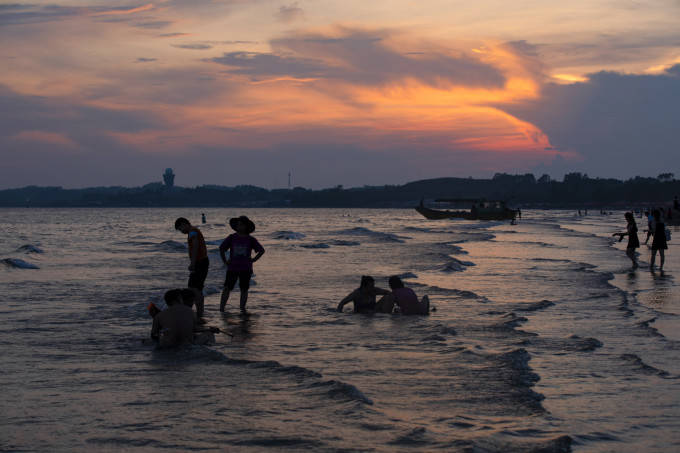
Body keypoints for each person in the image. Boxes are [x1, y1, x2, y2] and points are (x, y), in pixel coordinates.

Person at [219, 216, 265, 312]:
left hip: (245, 268)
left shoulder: (251, 239)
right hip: (232, 268)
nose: (238, 226)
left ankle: (242, 309)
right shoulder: (231, 237)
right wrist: (225, 261)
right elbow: (222, 249)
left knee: (244, 289)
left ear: (246, 226)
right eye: (237, 224)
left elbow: (261, 250)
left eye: (241, 224)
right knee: (227, 288)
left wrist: (253, 260)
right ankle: (221, 308)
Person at [175, 217, 209, 318]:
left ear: (184, 224)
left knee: (194, 289)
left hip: (200, 263)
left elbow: (195, 246)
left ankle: (197, 314)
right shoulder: (193, 231)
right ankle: (197, 313)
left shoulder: (192, 232)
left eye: (180, 229)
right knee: (194, 288)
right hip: (202, 262)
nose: (181, 232)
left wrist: (193, 263)